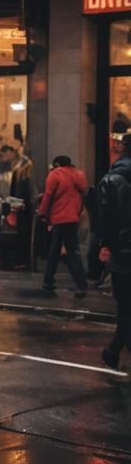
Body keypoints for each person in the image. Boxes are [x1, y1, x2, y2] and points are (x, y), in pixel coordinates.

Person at [98, 133, 131, 369]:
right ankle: (115, 349)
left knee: (124, 304)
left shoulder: (112, 179)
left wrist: (105, 244)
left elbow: (104, 217)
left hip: (123, 249)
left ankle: (114, 349)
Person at [37, 154, 88, 298]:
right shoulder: (78, 175)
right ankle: (48, 281)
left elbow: (48, 196)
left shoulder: (55, 175)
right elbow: (83, 192)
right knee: (56, 249)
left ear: (57, 164)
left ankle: (81, 285)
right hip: (73, 218)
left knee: (71, 251)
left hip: (59, 218)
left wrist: (42, 212)